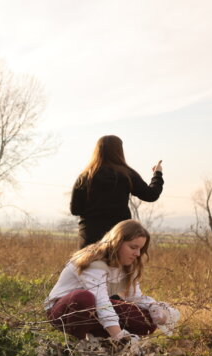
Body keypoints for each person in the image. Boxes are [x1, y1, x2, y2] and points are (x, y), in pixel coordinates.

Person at [45, 219, 175, 340]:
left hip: (94, 310)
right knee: (84, 298)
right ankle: (81, 344)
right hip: (63, 312)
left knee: (146, 320)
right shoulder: (94, 263)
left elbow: (135, 298)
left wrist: (154, 307)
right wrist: (119, 336)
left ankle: (101, 338)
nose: (138, 254)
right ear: (117, 243)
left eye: (140, 249)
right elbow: (101, 302)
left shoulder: (128, 266)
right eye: (133, 247)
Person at [70, 135, 164, 248]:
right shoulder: (126, 174)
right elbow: (151, 195)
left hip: (89, 240)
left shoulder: (85, 177)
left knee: (90, 266)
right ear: (119, 151)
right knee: (115, 266)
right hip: (118, 238)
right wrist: (157, 174)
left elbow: (75, 210)